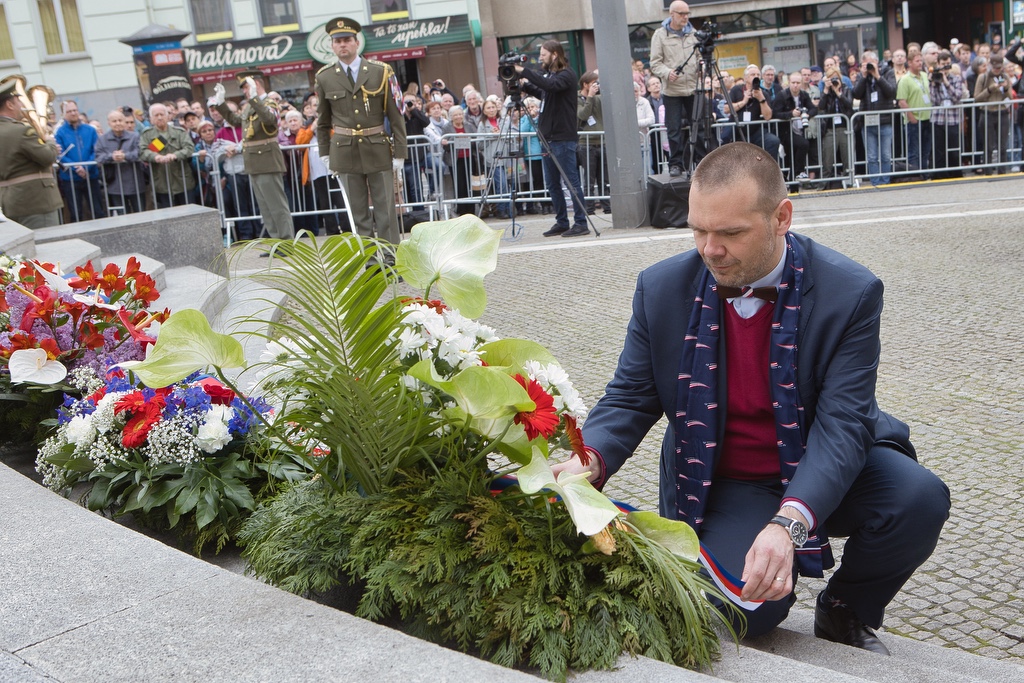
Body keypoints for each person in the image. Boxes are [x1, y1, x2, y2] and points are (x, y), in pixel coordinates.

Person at [556, 141, 949, 651]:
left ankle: (846, 607)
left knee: (918, 498)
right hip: (727, 479)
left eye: (731, 233)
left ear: (781, 217)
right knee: (751, 609)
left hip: (825, 458)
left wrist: (789, 523)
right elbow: (631, 396)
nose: (709, 249)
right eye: (698, 229)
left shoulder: (850, 292)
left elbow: (842, 425)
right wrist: (591, 458)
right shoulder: (661, 288)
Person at [315, 16, 407, 251]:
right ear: (332, 45)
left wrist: (399, 152)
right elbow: (323, 121)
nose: (342, 45)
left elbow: (396, 116)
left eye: (347, 40)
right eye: (337, 41)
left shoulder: (381, 72)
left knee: (385, 210)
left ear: (357, 43)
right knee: (358, 214)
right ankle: (371, 263)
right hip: (345, 152)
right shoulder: (324, 77)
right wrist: (325, 153)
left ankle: (390, 260)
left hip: (377, 148)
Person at [516, 39, 589, 237]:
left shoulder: (566, 75)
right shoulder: (553, 76)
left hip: (562, 138)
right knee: (553, 184)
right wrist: (525, 86)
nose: (540, 57)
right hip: (548, 138)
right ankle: (562, 221)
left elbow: (550, 85)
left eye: (543, 53)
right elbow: (544, 91)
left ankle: (581, 222)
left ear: (554, 54)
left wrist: (524, 71)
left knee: (571, 182)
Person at [209, 68, 293, 240]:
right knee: (265, 207)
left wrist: (255, 99)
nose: (245, 92)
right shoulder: (250, 106)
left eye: (247, 87)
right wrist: (220, 102)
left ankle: (286, 241)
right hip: (254, 162)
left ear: (256, 85)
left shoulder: (269, 103)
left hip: (267, 160)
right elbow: (234, 121)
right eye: (245, 89)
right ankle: (276, 241)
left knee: (276, 205)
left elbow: (270, 121)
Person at [0, 78, 63, 228]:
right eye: (18, 101)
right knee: (48, 246)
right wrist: (49, 142)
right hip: (35, 202)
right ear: (9, 104)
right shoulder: (21, 130)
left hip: (8, 201)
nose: (22, 106)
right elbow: (47, 157)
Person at [649, 1, 699, 177]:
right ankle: (676, 163)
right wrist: (667, 72)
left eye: (687, 13)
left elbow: (699, 57)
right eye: (682, 13)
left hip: (693, 88)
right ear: (672, 14)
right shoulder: (660, 35)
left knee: (697, 126)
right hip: (672, 90)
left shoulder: (694, 34)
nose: (685, 16)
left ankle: (700, 161)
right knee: (674, 129)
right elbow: (655, 63)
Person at [54, 100, 106, 222]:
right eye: (69, 111)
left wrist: (85, 167)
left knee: (97, 210)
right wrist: (76, 167)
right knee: (76, 213)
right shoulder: (60, 132)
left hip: (90, 176)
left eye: (75, 110)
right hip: (70, 178)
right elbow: (59, 153)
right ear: (64, 114)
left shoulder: (90, 130)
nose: (73, 113)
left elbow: (96, 150)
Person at [138, 102, 196, 208]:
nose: (160, 118)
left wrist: (175, 155)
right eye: (156, 115)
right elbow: (143, 151)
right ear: (151, 118)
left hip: (181, 180)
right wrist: (155, 157)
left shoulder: (179, 132)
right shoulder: (147, 135)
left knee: (188, 212)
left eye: (162, 114)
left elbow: (189, 148)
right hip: (161, 182)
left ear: (168, 116)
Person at [854, 50, 897, 186]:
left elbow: (891, 91)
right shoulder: (862, 77)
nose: (869, 66)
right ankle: (875, 182)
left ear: (877, 62)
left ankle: (885, 181)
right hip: (867, 121)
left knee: (885, 155)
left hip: (884, 120)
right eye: (865, 64)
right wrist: (863, 76)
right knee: (872, 156)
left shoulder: (887, 72)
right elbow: (856, 93)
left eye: (870, 63)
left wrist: (878, 76)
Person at [95, 108, 144, 214]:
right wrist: (111, 157)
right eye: (114, 121)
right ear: (109, 123)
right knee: (123, 217)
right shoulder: (102, 139)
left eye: (120, 120)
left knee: (141, 214)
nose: (118, 123)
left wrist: (125, 156)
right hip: (115, 185)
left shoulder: (135, 136)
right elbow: (98, 156)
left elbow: (140, 153)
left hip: (135, 183)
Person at [770, 70, 814, 181]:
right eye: (793, 82)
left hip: (800, 130)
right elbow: (775, 113)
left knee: (794, 155)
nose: (795, 85)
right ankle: (798, 172)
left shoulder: (804, 95)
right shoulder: (782, 95)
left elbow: (814, 108)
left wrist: (807, 115)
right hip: (785, 131)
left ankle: (794, 180)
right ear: (789, 82)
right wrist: (790, 114)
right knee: (803, 145)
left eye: (798, 83)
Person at [929, 51, 966, 179]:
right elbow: (934, 100)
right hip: (938, 118)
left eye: (948, 64)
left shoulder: (956, 78)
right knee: (939, 149)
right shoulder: (934, 78)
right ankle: (940, 175)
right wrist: (934, 83)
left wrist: (946, 83)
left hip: (953, 118)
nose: (945, 67)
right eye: (943, 64)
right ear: (938, 64)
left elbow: (957, 97)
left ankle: (955, 174)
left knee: (954, 149)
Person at [974, 55, 1013, 174]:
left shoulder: (1005, 76)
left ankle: (1002, 170)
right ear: (991, 66)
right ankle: (988, 171)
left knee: (1003, 145)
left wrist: (1006, 88)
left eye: (999, 68)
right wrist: (990, 89)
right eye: (995, 67)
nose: (997, 70)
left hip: (1002, 113)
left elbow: (1010, 97)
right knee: (988, 146)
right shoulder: (983, 77)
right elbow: (976, 98)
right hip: (987, 113)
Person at [577, 71, 609, 215]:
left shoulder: (600, 97)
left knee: (604, 178)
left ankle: (607, 206)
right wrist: (589, 96)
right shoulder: (577, 99)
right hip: (586, 143)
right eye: (594, 83)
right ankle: (589, 208)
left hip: (602, 142)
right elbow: (583, 115)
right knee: (589, 178)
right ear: (585, 84)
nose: (597, 85)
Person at [896, 52, 932, 175]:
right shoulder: (905, 80)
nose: (920, 63)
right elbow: (902, 102)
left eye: (921, 61)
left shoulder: (924, 75)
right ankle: (915, 174)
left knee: (926, 150)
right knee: (914, 151)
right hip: (914, 120)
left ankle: (924, 173)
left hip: (927, 118)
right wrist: (912, 119)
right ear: (910, 63)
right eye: (917, 61)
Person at [817, 66, 853, 187]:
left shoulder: (846, 89)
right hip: (830, 128)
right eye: (831, 79)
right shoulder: (827, 92)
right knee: (828, 158)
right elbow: (821, 107)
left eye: (835, 78)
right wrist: (826, 90)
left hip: (844, 127)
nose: (834, 81)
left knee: (847, 157)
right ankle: (824, 184)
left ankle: (849, 181)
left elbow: (849, 105)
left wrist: (838, 93)